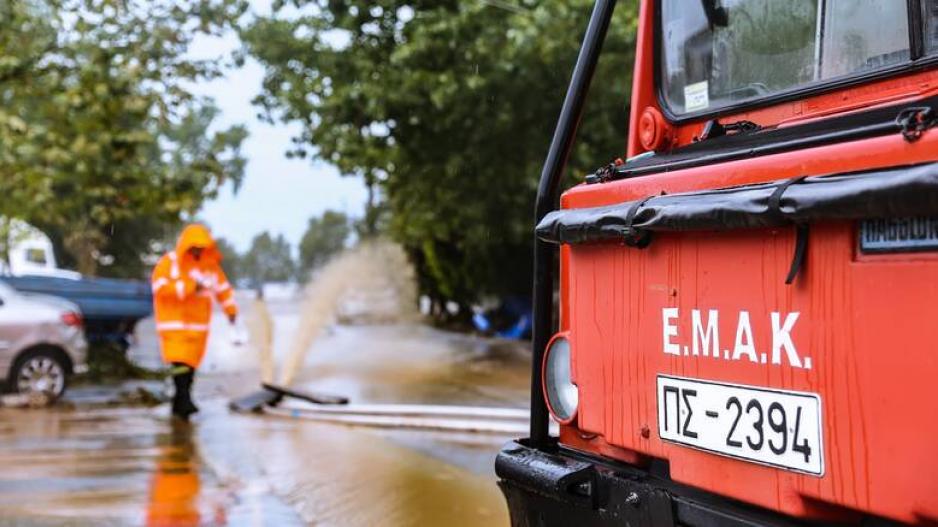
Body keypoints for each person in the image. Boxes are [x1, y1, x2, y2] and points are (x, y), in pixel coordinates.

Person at [151, 224, 238, 421]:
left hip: (198, 327)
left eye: (201, 247)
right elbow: (160, 288)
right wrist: (191, 287)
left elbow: (223, 290)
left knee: (190, 366)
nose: (198, 251)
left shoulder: (210, 267)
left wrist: (231, 311)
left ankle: (182, 400)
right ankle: (182, 400)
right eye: (194, 247)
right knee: (179, 364)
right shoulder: (169, 263)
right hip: (174, 326)